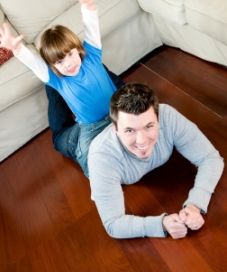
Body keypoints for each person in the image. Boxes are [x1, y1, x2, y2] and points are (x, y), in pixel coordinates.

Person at [88, 83, 224, 239]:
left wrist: (196, 204)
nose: (141, 141)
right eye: (130, 130)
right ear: (115, 129)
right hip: (86, 146)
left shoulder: (168, 116)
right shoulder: (101, 156)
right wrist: (161, 224)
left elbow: (211, 158)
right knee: (66, 139)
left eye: (148, 126)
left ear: (159, 120)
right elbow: (113, 224)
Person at [0, 0, 121, 177]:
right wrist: (17, 49)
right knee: (88, 155)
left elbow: (91, 28)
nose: (69, 64)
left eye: (70, 55)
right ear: (53, 67)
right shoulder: (57, 80)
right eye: (59, 62)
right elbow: (34, 63)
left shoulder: (92, 55)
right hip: (91, 127)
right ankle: (101, 183)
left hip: (117, 112)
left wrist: (87, 8)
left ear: (78, 49)